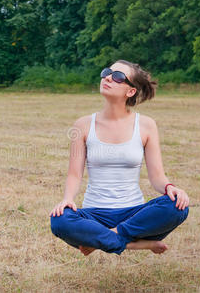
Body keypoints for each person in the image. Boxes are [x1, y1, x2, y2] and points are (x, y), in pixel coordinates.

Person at [49, 59, 189, 256]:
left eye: (117, 77)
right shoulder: (82, 125)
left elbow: (157, 176)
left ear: (130, 91)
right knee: (60, 220)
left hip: (134, 214)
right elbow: (74, 175)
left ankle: (103, 239)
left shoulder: (146, 125)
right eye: (107, 72)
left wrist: (170, 188)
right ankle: (139, 243)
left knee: (177, 206)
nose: (107, 77)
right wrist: (67, 199)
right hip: (94, 215)